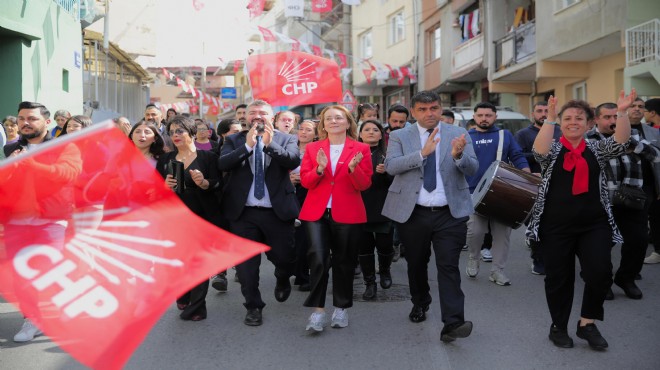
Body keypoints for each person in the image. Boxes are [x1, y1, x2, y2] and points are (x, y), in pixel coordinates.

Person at [527, 91, 636, 350]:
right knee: (558, 279)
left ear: (590, 124)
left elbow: (621, 141)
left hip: (593, 224)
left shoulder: (596, 148)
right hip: (555, 226)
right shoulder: (553, 148)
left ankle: (587, 323)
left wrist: (622, 112)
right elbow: (538, 152)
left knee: (600, 273)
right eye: (567, 118)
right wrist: (550, 119)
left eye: (579, 118)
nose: (573, 121)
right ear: (561, 122)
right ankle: (558, 326)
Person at [382, 90, 477, 343]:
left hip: (450, 213)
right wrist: (422, 154)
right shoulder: (400, 135)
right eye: (422, 110)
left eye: (433, 108)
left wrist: (458, 155)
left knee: (448, 266)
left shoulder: (458, 133)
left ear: (441, 108)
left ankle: (453, 322)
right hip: (414, 213)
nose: (429, 114)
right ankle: (420, 301)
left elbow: (473, 168)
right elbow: (391, 166)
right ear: (413, 112)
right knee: (416, 263)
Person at [3, 101, 82, 342]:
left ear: (46, 122)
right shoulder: (12, 148)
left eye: (32, 118)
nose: (25, 123)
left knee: (50, 271)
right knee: (21, 275)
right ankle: (32, 320)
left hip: (51, 220)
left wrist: (32, 164)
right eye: (21, 118)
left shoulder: (64, 146)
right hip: (16, 221)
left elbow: (68, 173)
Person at [218, 100, 300, 327]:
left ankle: (282, 277)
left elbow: (293, 160)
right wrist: (247, 147)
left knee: (285, 258)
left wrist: (269, 144)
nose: (257, 116)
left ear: (271, 117)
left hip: (277, 212)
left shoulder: (287, 138)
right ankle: (253, 306)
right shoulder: (234, 139)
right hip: (243, 214)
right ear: (246, 117)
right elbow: (223, 164)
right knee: (246, 268)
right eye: (252, 112)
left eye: (262, 113)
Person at [298, 105, 372, 332]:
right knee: (318, 259)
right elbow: (306, 182)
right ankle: (318, 312)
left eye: (338, 118)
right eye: (328, 118)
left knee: (344, 262)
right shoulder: (312, 148)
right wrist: (319, 168)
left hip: (348, 212)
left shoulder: (361, 148)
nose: (333, 121)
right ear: (323, 124)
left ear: (348, 123)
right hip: (316, 213)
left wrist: (353, 169)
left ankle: (341, 308)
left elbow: (364, 184)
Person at [587, 101, 660, 300]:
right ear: (596, 119)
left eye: (616, 117)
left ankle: (626, 278)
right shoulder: (588, 139)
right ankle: (603, 281)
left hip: (632, 198)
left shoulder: (633, 136)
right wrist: (619, 145)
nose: (613, 121)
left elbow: (655, 156)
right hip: (602, 201)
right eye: (607, 117)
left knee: (639, 241)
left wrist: (631, 144)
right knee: (602, 245)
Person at [157, 115, 221, 321]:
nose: (175, 135)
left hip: (203, 217)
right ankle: (183, 293)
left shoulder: (209, 157)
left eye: (180, 131)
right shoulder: (166, 159)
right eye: (172, 132)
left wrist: (204, 183)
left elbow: (218, 183)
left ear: (192, 133)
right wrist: (164, 188)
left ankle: (197, 307)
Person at [465, 102, 530, 286]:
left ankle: (497, 271)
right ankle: (473, 257)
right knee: (475, 231)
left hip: (503, 192)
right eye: (480, 115)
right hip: (474, 192)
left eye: (488, 115)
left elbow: (517, 156)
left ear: (495, 117)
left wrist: (526, 174)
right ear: (474, 117)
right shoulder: (466, 136)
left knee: (502, 234)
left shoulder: (504, 135)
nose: (484, 118)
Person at [515, 102, 563, 275]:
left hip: (559, 184)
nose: (543, 114)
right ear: (532, 113)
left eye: (546, 111)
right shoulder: (523, 134)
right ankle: (538, 260)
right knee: (538, 224)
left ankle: (555, 258)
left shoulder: (561, 131)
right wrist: (542, 150)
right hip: (533, 184)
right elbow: (518, 156)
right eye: (540, 111)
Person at [357, 120, 394, 300]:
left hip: (383, 206)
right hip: (359, 206)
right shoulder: (353, 153)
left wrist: (386, 173)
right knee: (364, 248)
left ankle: (385, 271)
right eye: (366, 129)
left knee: (385, 245)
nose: (371, 132)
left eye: (375, 130)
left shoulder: (389, 154)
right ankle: (369, 283)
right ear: (360, 134)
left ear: (381, 135)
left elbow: (397, 183)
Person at [289, 119, 317, 292]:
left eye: (309, 130)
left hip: (310, 194)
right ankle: (295, 271)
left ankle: (305, 275)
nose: (304, 132)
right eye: (301, 129)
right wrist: (288, 179)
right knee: (293, 237)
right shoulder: (289, 149)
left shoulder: (319, 149)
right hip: (290, 194)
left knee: (306, 237)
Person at [644, 98, 660, 263]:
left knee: (655, 217)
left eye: (645, 110)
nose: (643, 113)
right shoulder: (647, 129)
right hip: (653, 182)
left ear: (653, 113)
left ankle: (658, 252)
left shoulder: (653, 132)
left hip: (656, 182)